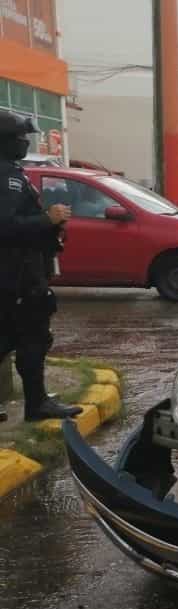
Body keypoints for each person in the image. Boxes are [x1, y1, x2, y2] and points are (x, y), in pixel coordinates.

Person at [0, 111, 83, 422]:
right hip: (17, 275)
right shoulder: (6, 176)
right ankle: (37, 405)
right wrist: (48, 219)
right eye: (21, 137)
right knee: (32, 337)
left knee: (9, 336)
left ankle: (37, 401)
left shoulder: (10, 172)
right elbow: (5, 225)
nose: (25, 141)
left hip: (16, 273)